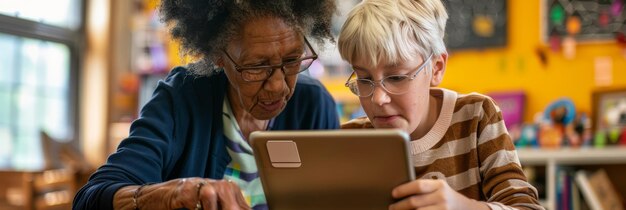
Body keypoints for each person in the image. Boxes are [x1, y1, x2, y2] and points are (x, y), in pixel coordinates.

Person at [73, 0, 339, 209]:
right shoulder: (181, 98)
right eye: (257, 66)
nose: (278, 85)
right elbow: (91, 198)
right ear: (217, 55)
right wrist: (175, 193)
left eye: (292, 60)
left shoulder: (313, 106)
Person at [337, 0, 544, 209]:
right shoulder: (346, 140)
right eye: (364, 79)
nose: (378, 99)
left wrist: (464, 207)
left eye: (397, 78)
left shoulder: (476, 118)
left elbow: (526, 206)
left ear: (436, 68)